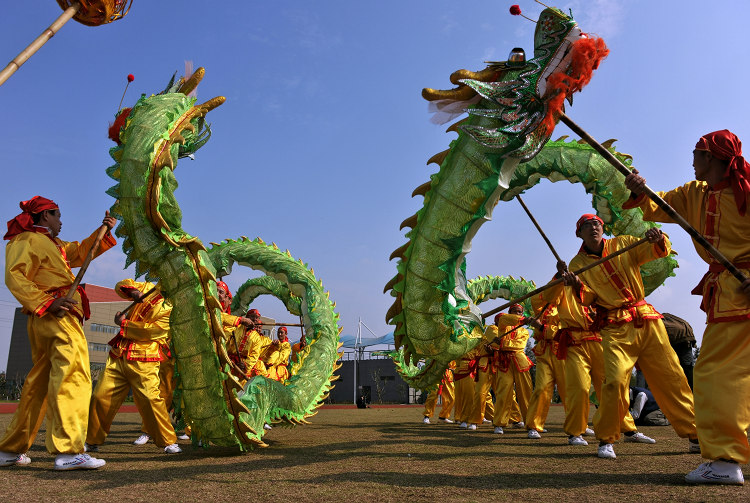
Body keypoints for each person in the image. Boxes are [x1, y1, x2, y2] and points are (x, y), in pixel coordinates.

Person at [624, 130, 750, 484]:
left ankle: (725, 463)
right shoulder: (694, 194)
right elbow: (658, 203)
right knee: (727, 377)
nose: (691, 159)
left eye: (696, 153)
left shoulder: (747, 192)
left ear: (711, 157)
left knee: (715, 377)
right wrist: (638, 188)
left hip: (740, 297)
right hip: (725, 295)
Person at [560, 214, 698, 460]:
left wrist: (657, 239)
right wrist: (576, 284)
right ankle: (606, 438)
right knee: (613, 381)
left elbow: (655, 251)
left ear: (603, 228)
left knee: (671, 377)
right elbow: (590, 298)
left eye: (597, 224)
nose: (594, 227)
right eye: (587, 225)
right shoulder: (576, 264)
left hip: (646, 319)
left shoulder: (623, 243)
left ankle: (695, 434)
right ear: (579, 233)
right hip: (615, 326)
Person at [0, 197, 116, 470]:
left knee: (38, 385)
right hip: (54, 315)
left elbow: (80, 252)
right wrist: (46, 302)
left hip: (52, 316)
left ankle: (10, 450)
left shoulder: (54, 245)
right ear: (44, 215)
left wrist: (103, 230)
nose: (61, 221)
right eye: (58, 216)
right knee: (73, 375)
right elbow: (15, 276)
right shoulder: (26, 240)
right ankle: (69, 450)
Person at [86, 280, 181, 454]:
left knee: (151, 399)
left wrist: (124, 324)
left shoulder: (174, 306)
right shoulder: (146, 287)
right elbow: (121, 285)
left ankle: (168, 441)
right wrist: (133, 292)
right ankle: (91, 440)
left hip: (145, 358)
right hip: (118, 354)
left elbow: (155, 331)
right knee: (100, 396)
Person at [469, 305, 533, 433]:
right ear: (509, 314)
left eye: (520, 312)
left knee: (525, 393)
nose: (518, 314)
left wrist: (502, 344)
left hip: (519, 362)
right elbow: (500, 326)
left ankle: (529, 424)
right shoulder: (498, 326)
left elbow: (519, 345)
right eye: (514, 312)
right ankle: (497, 423)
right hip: (497, 363)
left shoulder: (524, 331)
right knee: (501, 392)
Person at [525, 299, 565, 439]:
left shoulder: (570, 306)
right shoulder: (542, 308)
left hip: (563, 352)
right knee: (541, 388)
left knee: (570, 390)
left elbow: (563, 331)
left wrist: (542, 328)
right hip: (544, 352)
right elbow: (536, 299)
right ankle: (533, 425)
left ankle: (580, 425)